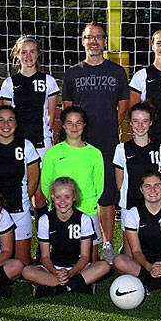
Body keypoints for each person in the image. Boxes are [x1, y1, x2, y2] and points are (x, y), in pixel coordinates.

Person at [62, 22, 130, 261]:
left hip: (107, 141)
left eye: (98, 37)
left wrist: (109, 125)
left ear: (104, 42)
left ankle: (108, 243)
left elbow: (123, 106)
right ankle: (80, 242)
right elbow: (67, 108)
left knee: (106, 193)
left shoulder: (116, 72)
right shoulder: (72, 73)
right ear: (82, 41)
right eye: (89, 37)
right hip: (79, 143)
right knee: (79, 191)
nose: (93, 41)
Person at [1, 35, 59, 222]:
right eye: (23, 52)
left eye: (32, 51)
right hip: (18, 145)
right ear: (17, 55)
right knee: (17, 193)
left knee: (41, 197)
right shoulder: (10, 83)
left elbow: (51, 117)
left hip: (42, 144)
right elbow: (7, 119)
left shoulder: (48, 81)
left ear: (38, 54)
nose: (28, 56)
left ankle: (44, 244)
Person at [22, 177, 111, 298]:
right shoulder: (45, 220)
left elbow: (85, 257)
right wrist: (55, 272)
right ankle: (77, 285)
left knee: (104, 266)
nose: (62, 202)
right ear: (52, 197)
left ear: (74, 197)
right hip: (52, 269)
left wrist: (70, 273)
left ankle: (57, 288)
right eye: (58, 197)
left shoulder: (83, 219)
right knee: (26, 271)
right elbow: (45, 257)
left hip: (78, 268)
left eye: (67, 197)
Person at [0, 105, 40, 265]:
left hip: (19, 209)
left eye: (10, 120)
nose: (6, 124)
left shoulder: (26, 146)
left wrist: (24, 200)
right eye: (1, 120)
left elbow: (33, 180)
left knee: (22, 265)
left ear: (16, 124)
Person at [40, 106, 104, 259]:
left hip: (88, 209)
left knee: (91, 258)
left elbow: (99, 185)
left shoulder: (94, 153)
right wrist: (58, 203)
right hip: (60, 210)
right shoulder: (53, 153)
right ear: (63, 126)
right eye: (69, 123)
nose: (74, 127)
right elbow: (46, 183)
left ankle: (89, 282)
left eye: (78, 123)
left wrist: (89, 205)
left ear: (84, 125)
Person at [113, 102, 161, 258]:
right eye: (136, 121)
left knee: (156, 247)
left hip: (154, 205)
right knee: (130, 254)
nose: (140, 125)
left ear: (151, 123)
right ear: (130, 123)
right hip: (130, 203)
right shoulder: (122, 149)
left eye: (144, 121)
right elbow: (120, 181)